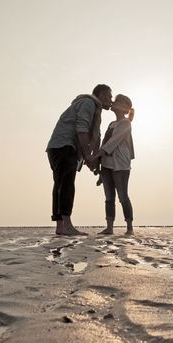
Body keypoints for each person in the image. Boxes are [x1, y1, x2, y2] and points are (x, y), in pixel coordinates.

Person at [46, 84, 112, 235]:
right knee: (66, 185)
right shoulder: (89, 103)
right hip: (64, 146)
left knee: (60, 185)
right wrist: (88, 156)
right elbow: (81, 129)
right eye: (109, 96)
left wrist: (94, 161)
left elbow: (96, 139)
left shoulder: (95, 110)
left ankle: (60, 227)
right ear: (101, 95)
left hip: (57, 147)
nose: (111, 100)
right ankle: (67, 226)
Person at [92, 94, 135, 235]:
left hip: (120, 165)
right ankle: (109, 227)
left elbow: (113, 142)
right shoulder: (111, 124)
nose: (113, 102)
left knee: (123, 196)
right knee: (109, 197)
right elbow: (105, 142)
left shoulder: (126, 123)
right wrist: (98, 163)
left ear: (124, 107)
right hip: (106, 164)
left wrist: (95, 155)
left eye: (116, 101)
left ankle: (129, 228)